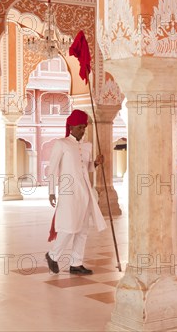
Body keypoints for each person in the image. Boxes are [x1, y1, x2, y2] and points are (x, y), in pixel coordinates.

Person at [45, 109, 107, 274]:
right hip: (68, 193)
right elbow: (52, 170)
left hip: (85, 192)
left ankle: (76, 263)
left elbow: (86, 168)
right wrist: (51, 191)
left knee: (83, 230)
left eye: (84, 127)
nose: (82, 130)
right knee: (69, 227)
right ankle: (53, 255)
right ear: (71, 127)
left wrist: (96, 163)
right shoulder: (62, 143)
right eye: (80, 127)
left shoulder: (87, 146)